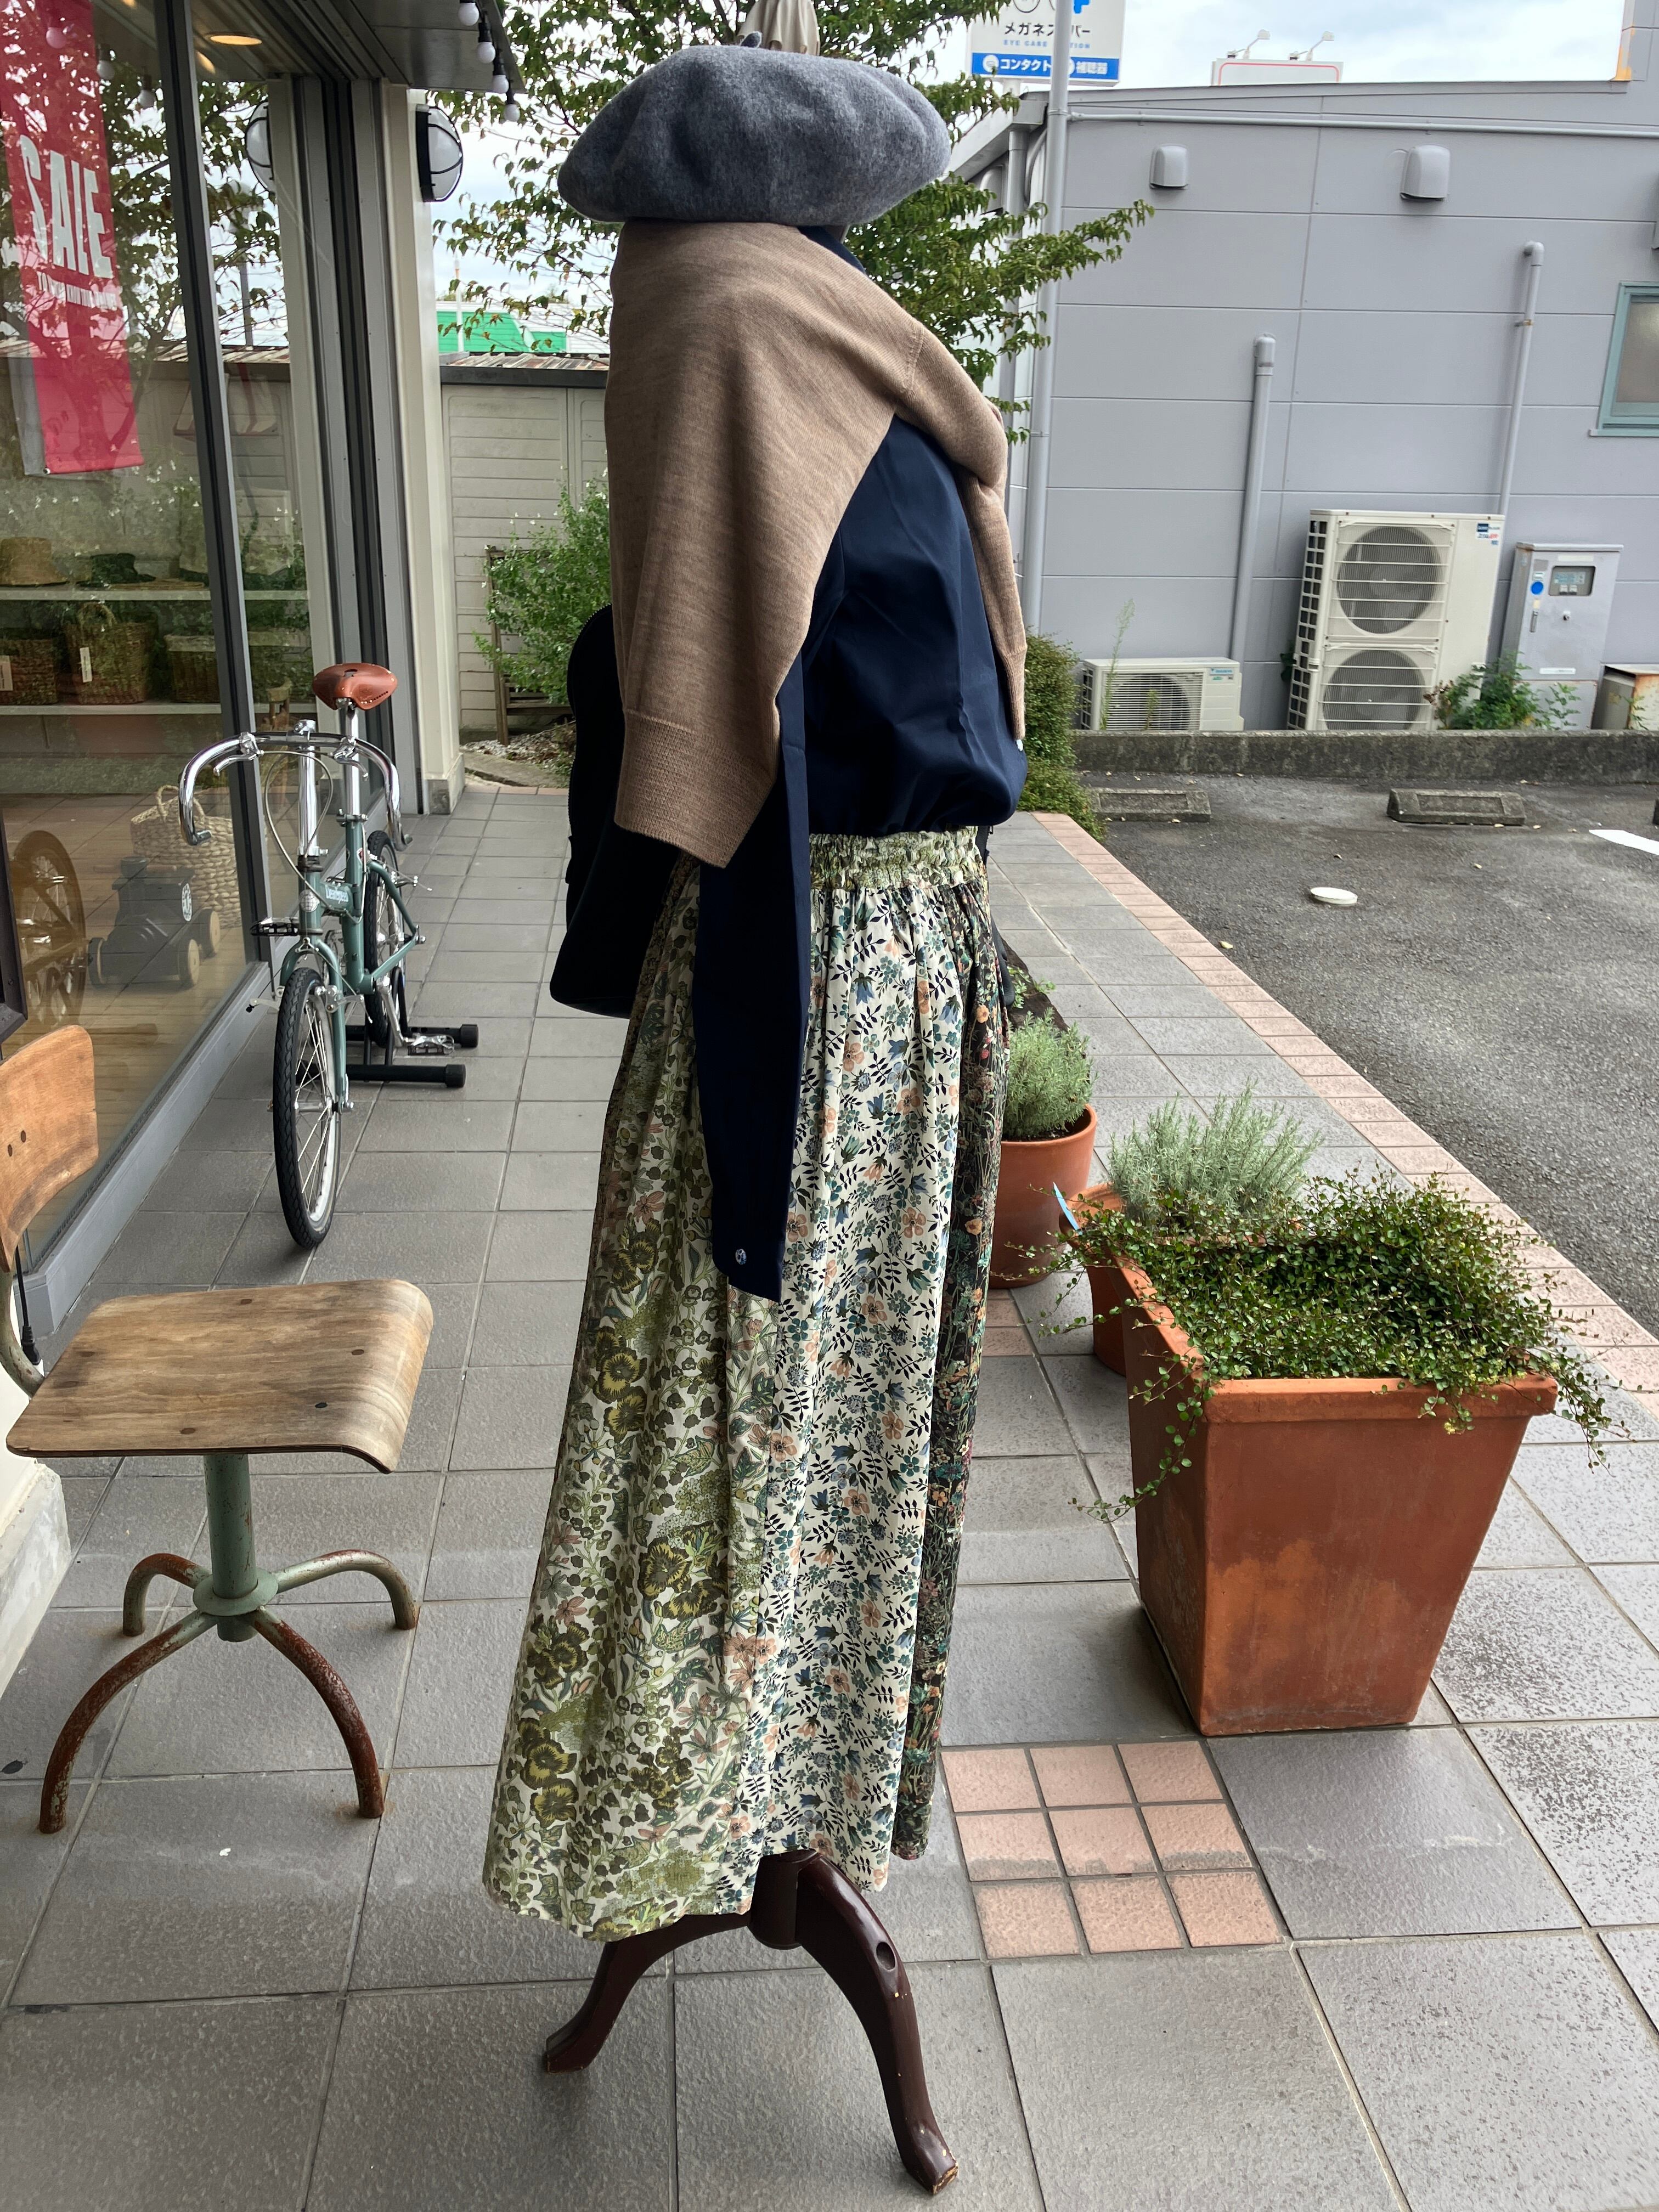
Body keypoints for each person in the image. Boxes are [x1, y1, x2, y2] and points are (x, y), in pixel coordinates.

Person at [484, 36, 1028, 1944]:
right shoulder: (747, 325)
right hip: (831, 982)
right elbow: (768, 721)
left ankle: (774, 1805)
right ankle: (704, 1814)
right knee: (754, 1407)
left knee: (805, 1416)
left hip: (867, 972)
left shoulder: (733, 322)